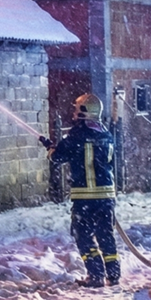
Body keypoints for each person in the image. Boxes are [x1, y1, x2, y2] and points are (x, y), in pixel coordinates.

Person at [40, 93, 120, 288]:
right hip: (106, 196)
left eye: (77, 109)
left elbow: (58, 158)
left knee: (82, 235)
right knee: (105, 235)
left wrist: (51, 148)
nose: (74, 113)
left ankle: (95, 275)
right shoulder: (107, 135)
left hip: (85, 197)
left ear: (85, 111)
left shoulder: (76, 135)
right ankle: (114, 274)